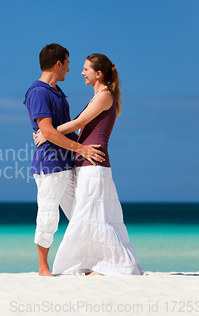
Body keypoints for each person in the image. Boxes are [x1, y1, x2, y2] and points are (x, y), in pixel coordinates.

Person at [34, 53, 144, 276]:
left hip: (94, 164)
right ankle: (96, 265)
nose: (81, 72)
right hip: (86, 164)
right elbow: (79, 126)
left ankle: (110, 265)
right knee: (91, 215)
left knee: (92, 216)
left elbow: (79, 123)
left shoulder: (105, 96)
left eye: (86, 69)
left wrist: (48, 134)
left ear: (98, 73)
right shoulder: (97, 97)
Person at [23, 44, 105, 277]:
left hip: (67, 163)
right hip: (50, 165)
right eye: (68, 64)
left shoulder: (57, 92)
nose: (70, 70)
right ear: (58, 64)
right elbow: (47, 132)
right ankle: (43, 268)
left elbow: (61, 129)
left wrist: (86, 143)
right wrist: (82, 149)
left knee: (80, 214)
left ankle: (87, 264)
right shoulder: (38, 92)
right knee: (48, 216)